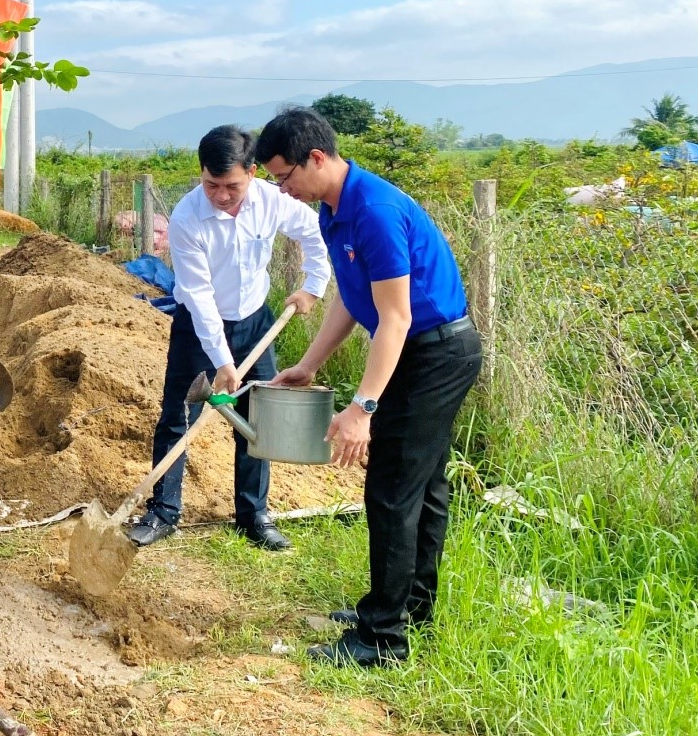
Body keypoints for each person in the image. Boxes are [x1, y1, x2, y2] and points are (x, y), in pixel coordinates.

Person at [255, 107, 483, 667]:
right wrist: (309, 365)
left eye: (284, 177)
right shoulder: (336, 210)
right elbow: (351, 300)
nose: (283, 189)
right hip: (413, 348)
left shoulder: (375, 210)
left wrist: (362, 409)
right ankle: (407, 607)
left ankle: (381, 639)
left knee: (391, 489)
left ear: (316, 158)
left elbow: (397, 317)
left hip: (435, 352)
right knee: (422, 487)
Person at [128, 127, 331, 552]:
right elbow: (199, 296)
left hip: (256, 321)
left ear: (253, 173)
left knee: (258, 419)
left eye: (232, 186)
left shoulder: (272, 201)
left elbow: (315, 232)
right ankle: (164, 510)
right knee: (177, 414)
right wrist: (221, 361)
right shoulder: (186, 220)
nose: (221, 196)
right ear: (201, 174)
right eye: (211, 185)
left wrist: (313, 285)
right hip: (199, 326)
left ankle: (253, 514)